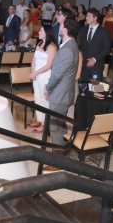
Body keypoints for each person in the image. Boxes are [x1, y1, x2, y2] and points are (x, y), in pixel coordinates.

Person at [45, 17, 80, 146]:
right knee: (60, 126)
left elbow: (57, 74)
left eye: (60, 26)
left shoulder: (67, 49)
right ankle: (62, 150)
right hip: (64, 92)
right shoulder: (71, 45)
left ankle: (57, 159)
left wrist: (48, 88)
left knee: (55, 128)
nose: (58, 28)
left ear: (65, 30)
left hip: (60, 94)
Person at [29, 25, 57, 131]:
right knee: (37, 98)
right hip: (36, 75)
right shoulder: (40, 43)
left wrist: (36, 73)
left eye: (41, 30)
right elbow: (34, 59)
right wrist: (33, 72)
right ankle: (40, 120)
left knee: (45, 100)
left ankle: (45, 124)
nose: (39, 32)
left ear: (46, 32)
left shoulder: (52, 47)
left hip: (45, 75)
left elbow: (49, 65)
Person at [78, 8, 111, 82]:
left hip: (97, 65)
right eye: (86, 16)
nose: (86, 18)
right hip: (83, 65)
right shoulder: (83, 30)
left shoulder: (103, 31)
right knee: (83, 88)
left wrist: (94, 59)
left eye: (89, 16)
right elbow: (79, 45)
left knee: (95, 89)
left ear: (95, 18)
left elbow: (107, 48)